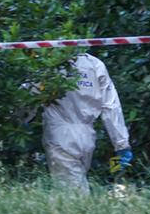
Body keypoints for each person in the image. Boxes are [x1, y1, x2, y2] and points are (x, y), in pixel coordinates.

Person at [41, 52, 131, 191]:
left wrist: (20, 119)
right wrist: (121, 143)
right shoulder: (95, 64)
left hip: (60, 134)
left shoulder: (49, 62)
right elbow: (111, 106)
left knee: (72, 194)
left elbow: (28, 95)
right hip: (87, 135)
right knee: (75, 186)